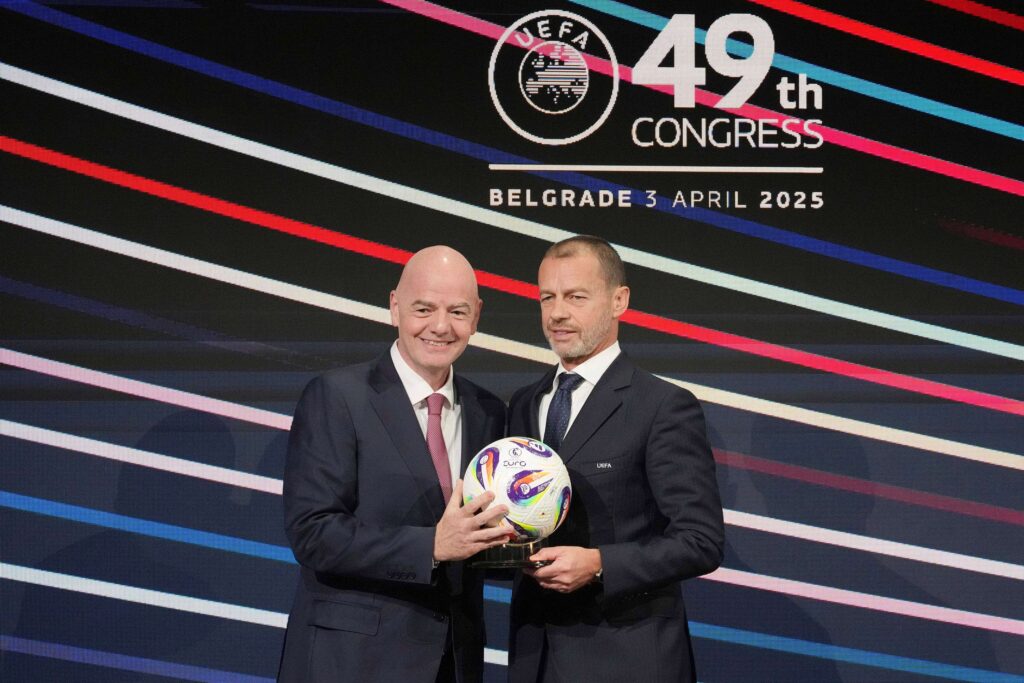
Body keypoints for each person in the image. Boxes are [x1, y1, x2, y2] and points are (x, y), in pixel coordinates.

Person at [278, 246, 511, 683]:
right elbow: (313, 533)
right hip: (351, 664)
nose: (440, 326)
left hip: (454, 663)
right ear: (394, 306)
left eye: (458, 312)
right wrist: (431, 547)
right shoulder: (338, 396)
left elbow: (477, 542)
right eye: (424, 309)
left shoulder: (489, 412)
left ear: (477, 316)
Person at [508, 236, 725, 683]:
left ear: (618, 300)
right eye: (547, 297)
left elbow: (700, 540)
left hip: (627, 659)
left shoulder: (662, 405)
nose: (557, 313)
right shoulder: (524, 403)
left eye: (576, 297)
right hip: (535, 656)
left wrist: (599, 564)